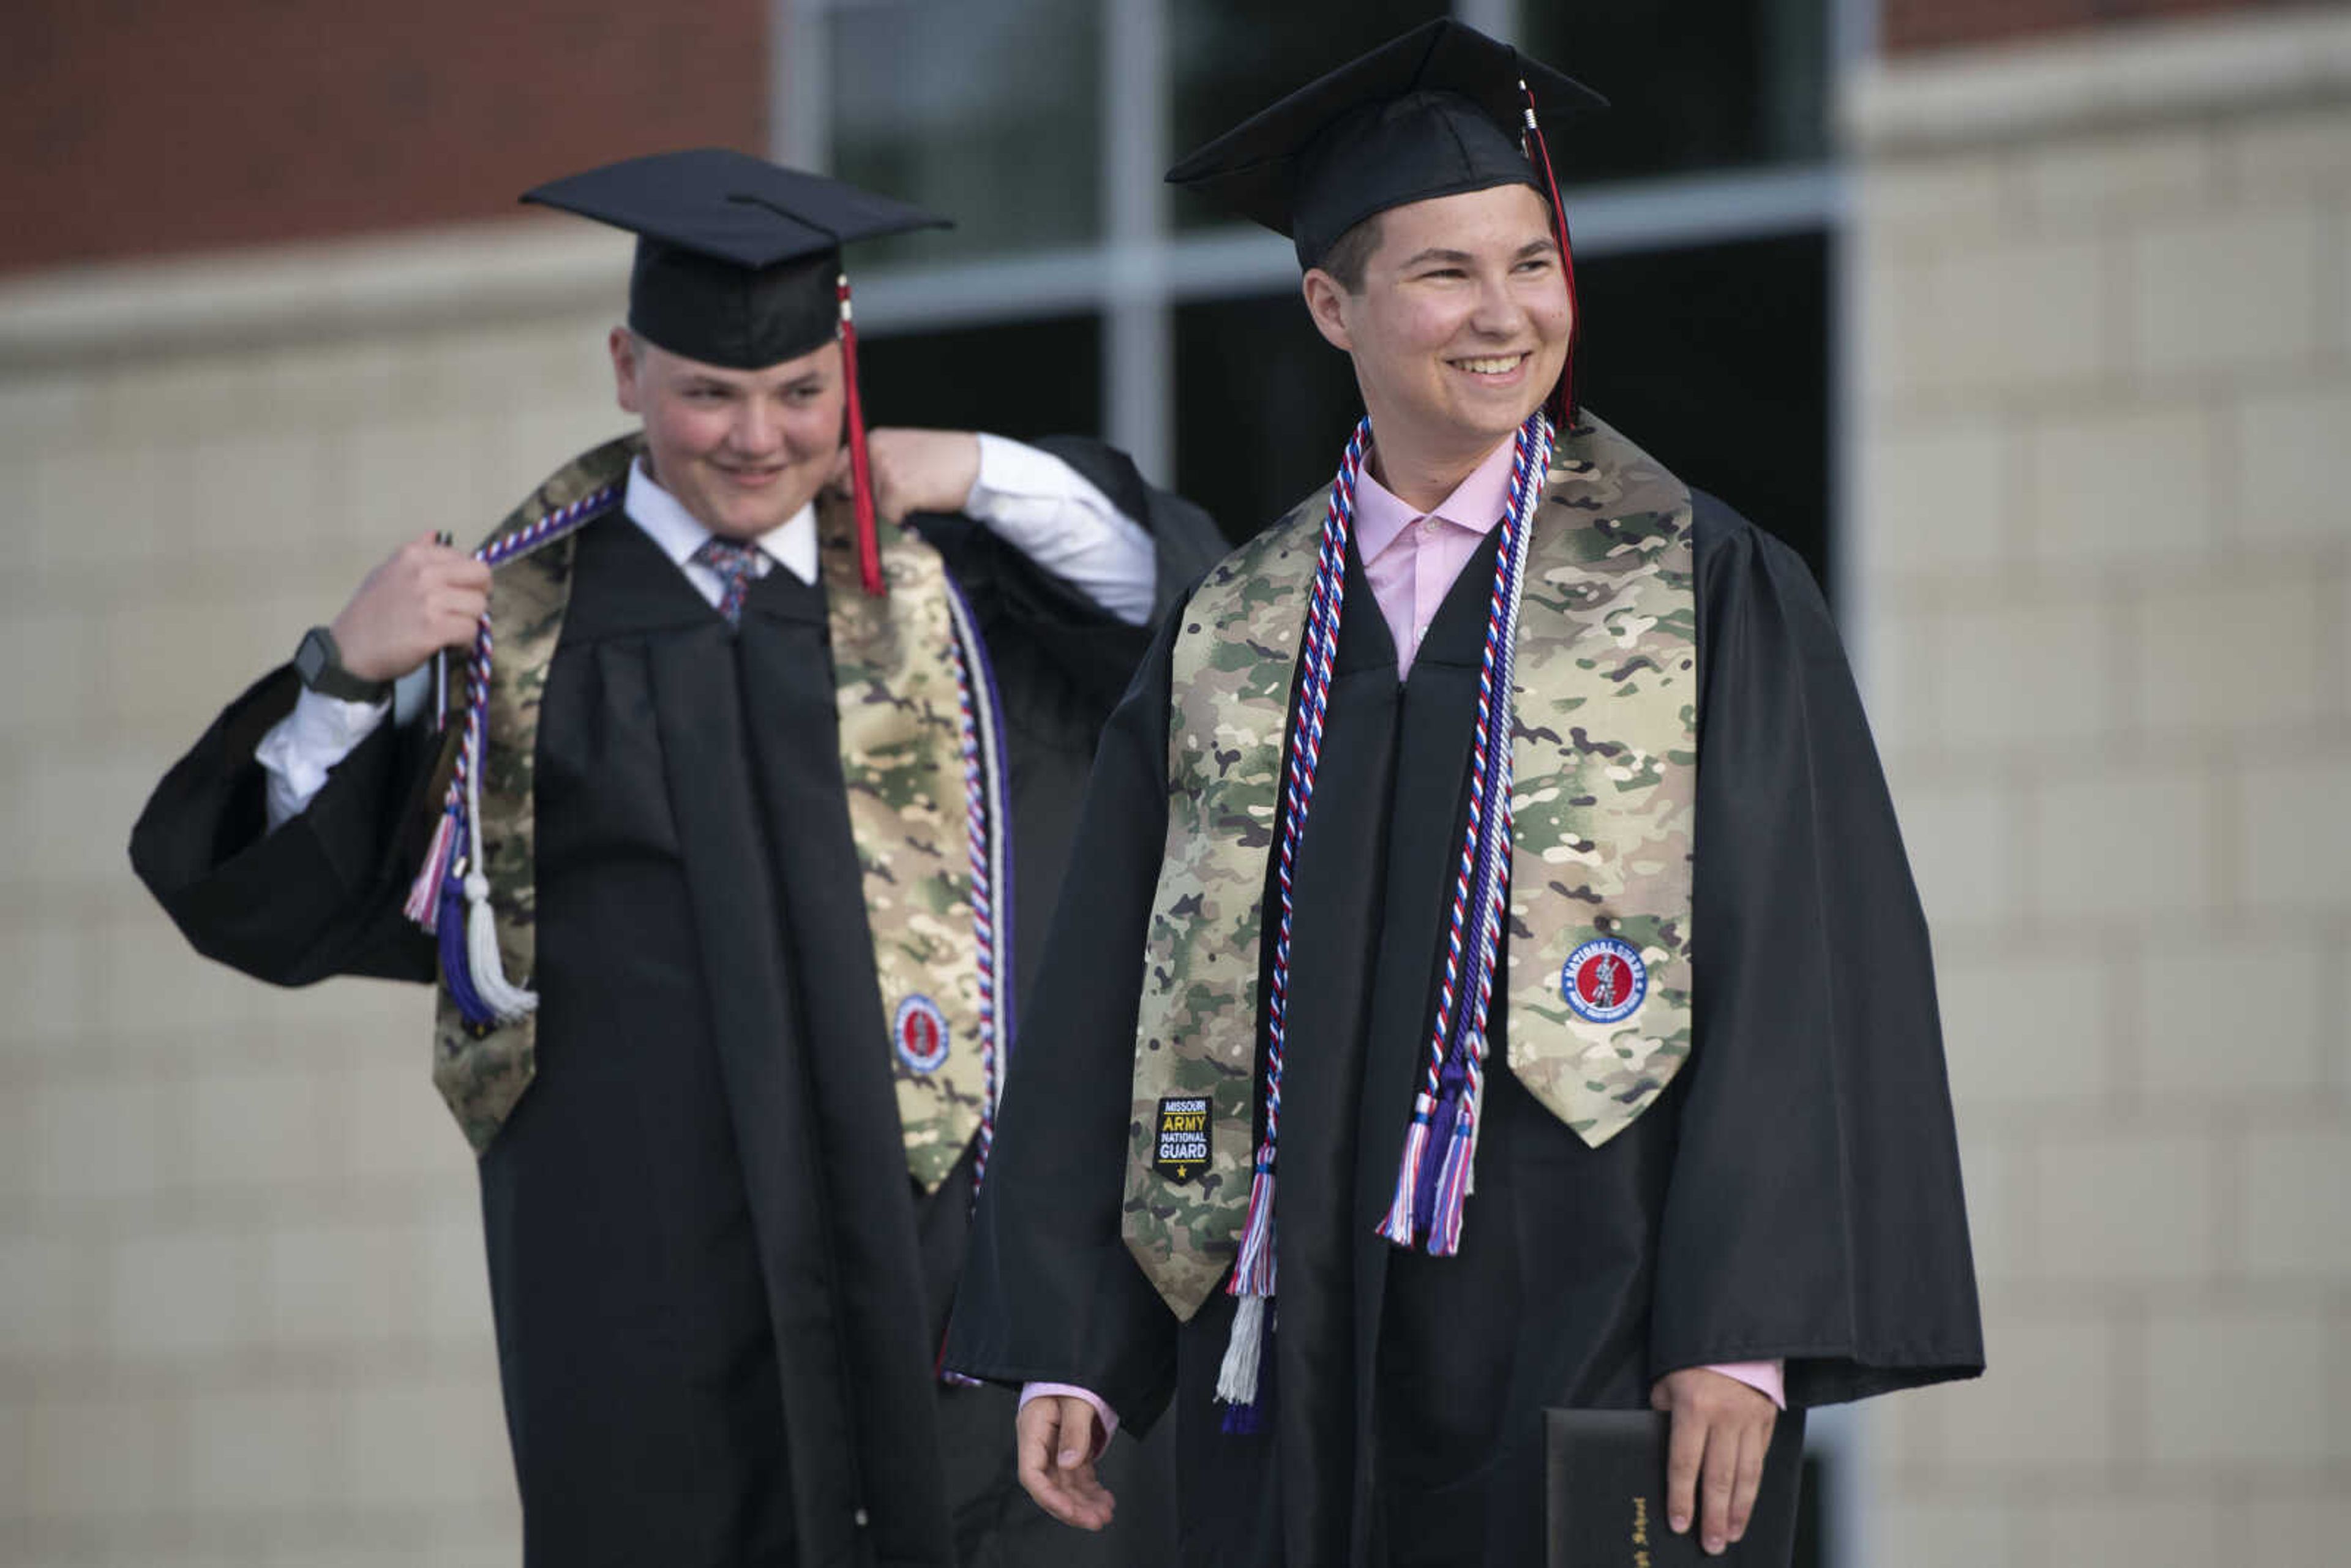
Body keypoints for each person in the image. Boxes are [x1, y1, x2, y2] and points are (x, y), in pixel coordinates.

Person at [943, 21, 1984, 1568]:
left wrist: (1744, 1333)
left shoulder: (1695, 585)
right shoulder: (1233, 629)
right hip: (1280, 1327)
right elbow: (1115, 982)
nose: (1506, 315)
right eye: (1445, 273)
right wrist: (1076, 1329)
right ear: (1331, 304)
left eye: (1534, 263)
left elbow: (1803, 969)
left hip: (1598, 1327)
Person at [130, 149, 1221, 1567]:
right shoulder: (517, 634)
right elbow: (274, 905)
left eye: (800, 395)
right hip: (655, 1297)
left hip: (956, 1282)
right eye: (710, 392)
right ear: (627, 367)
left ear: (847, 373)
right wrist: (343, 676)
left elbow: (1196, 637)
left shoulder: (950, 592)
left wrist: (988, 471)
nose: (759, 439)